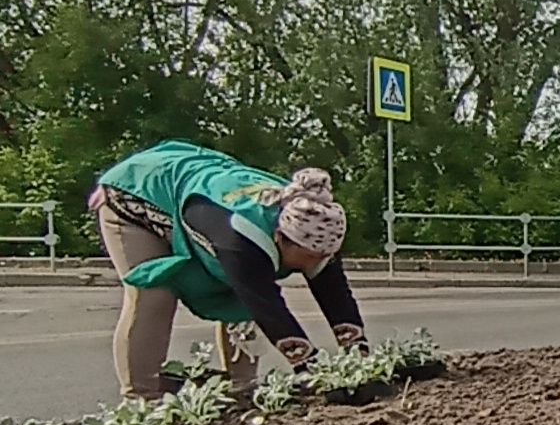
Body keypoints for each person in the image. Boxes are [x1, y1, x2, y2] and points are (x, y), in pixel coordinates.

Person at [92, 139, 366, 399]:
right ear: (280, 237)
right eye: (307, 258)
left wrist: (361, 360)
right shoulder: (240, 238)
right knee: (154, 293)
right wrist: (313, 372)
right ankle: (142, 397)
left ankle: (241, 388)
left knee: (243, 296)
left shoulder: (317, 220)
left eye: (322, 258)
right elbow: (266, 306)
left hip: (200, 185)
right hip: (136, 192)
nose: (313, 266)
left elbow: (336, 296)